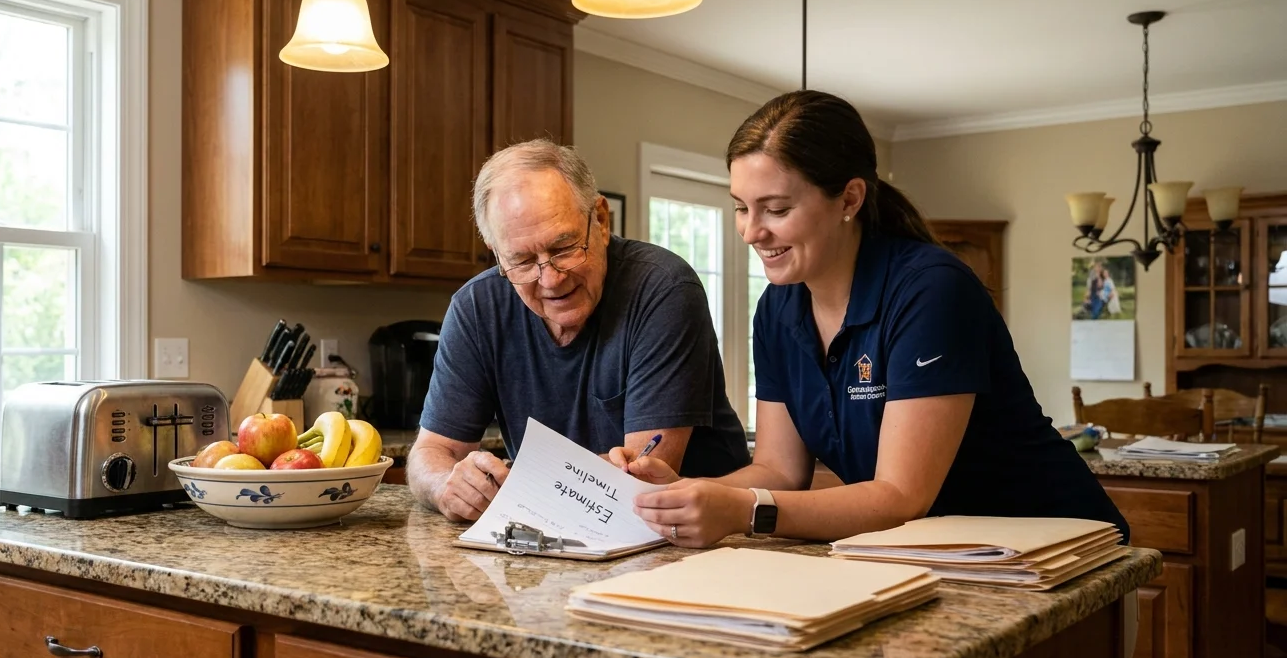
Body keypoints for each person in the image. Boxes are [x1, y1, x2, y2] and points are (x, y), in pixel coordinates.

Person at [608, 91, 1129, 547]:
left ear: (849, 199)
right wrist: (675, 497)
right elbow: (780, 470)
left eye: (776, 209)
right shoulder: (777, 309)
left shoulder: (931, 290)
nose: (750, 232)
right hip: (937, 552)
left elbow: (900, 496)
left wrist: (744, 511)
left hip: (1054, 547)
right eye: (742, 207)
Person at [407, 139, 750, 522]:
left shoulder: (662, 289)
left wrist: (521, 484)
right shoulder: (476, 308)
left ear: (601, 221)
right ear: (495, 251)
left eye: (564, 247)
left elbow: (638, 479)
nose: (550, 279)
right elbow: (430, 452)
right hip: (557, 535)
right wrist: (445, 484)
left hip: (702, 540)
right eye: (520, 260)